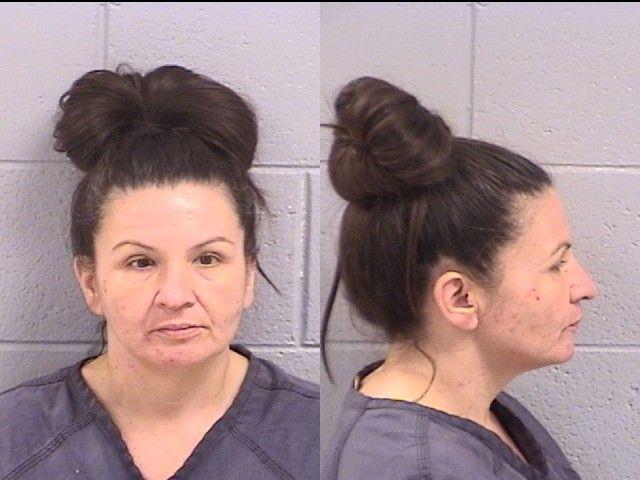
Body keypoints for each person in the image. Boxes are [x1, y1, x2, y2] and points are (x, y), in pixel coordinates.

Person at [0, 65, 319, 480]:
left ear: (248, 274)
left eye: (207, 259)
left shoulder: (316, 439)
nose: (175, 295)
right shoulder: (14, 438)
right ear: (90, 282)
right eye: (141, 262)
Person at [321, 77, 597, 480]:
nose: (586, 287)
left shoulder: (481, 412)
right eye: (557, 265)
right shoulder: (411, 467)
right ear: (461, 297)